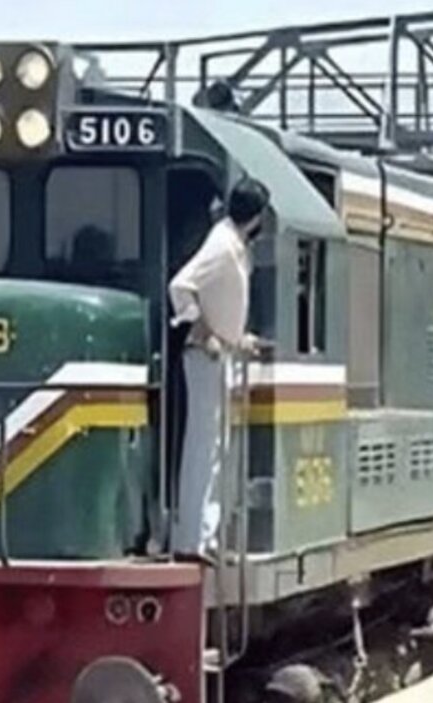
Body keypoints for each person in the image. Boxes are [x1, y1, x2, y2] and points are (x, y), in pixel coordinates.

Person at [168, 178, 270, 561]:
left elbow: (220, 301)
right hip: (205, 357)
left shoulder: (233, 243)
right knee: (203, 446)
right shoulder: (222, 243)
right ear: (257, 216)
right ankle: (189, 540)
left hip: (223, 354)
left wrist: (238, 338)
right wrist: (201, 330)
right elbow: (180, 286)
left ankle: (205, 536)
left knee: (216, 448)